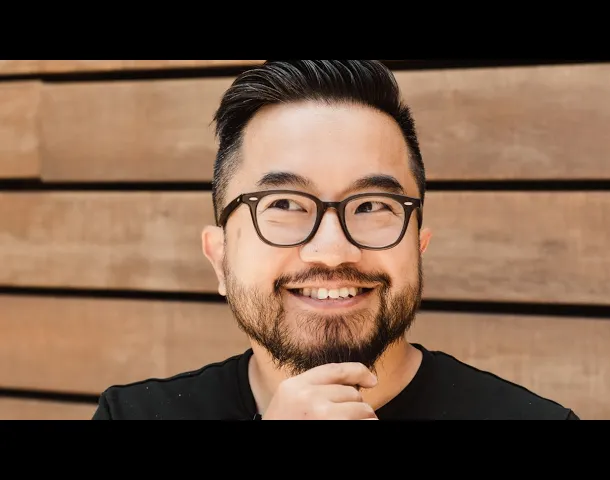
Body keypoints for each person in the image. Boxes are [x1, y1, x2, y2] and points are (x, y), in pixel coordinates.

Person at [91, 60, 579, 420]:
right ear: (219, 258)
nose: (333, 251)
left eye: (371, 206)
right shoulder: (133, 415)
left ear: (419, 248)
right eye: (284, 204)